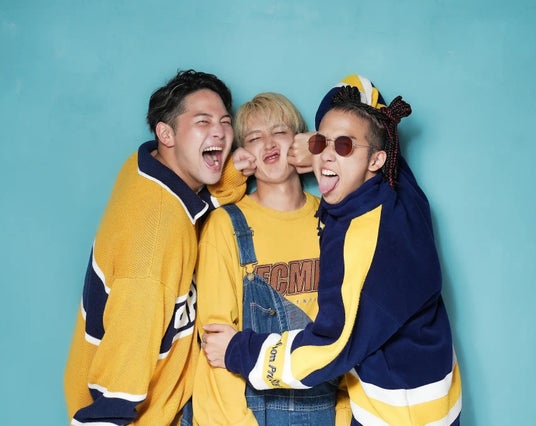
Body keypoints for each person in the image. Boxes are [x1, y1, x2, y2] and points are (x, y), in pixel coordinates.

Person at [202, 74, 463, 425]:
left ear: (377, 159)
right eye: (320, 142)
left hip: (397, 412)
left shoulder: (358, 239)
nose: (327, 153)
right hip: (436, 399)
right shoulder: (401, 190)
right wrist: (329, 145)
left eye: (344, 146)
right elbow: (361, 90)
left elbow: (331, 345)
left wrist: (239, 350)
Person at [64, 69, 255, 425]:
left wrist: (232, 174)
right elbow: (122, 369)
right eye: (202, 121)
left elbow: (194, 206)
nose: (219, 131)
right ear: (166, 134)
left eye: (225, 121)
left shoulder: (145, 168)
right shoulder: (154, 242)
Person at [192, 92, 351, 425]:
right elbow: (215, 343)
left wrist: (343, 415)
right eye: (254, 137)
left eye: (279, 132)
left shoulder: (335, 219)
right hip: (253, 412)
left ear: (299, 142)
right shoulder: (226, 226)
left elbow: (351, 329)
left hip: (324, 407)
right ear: (243, 155)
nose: (268, 143)